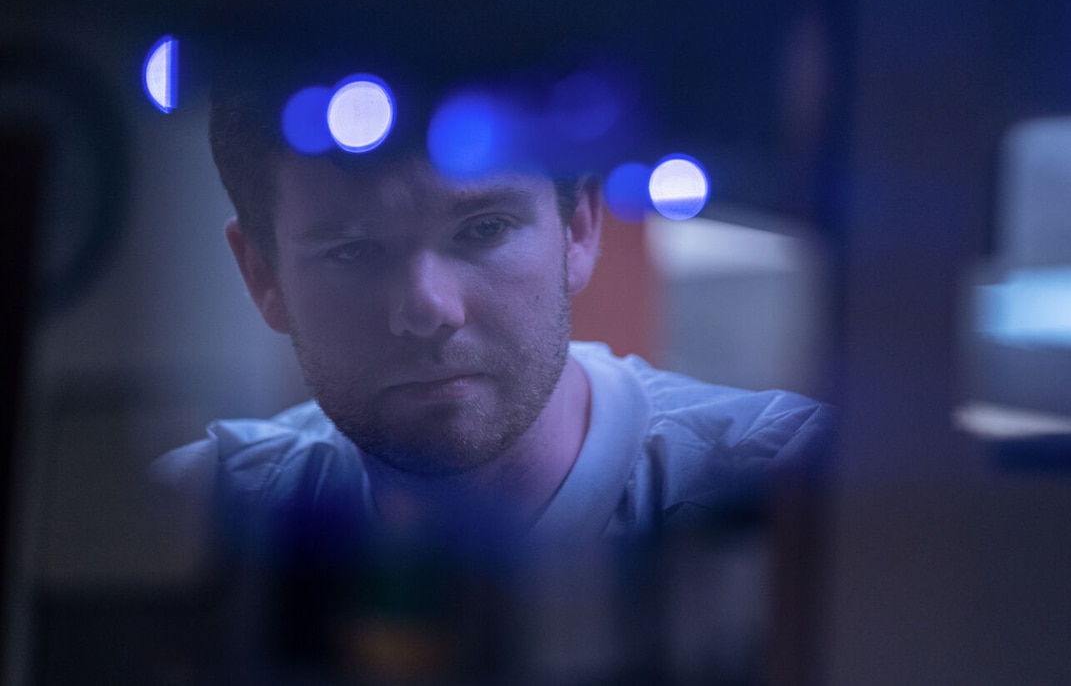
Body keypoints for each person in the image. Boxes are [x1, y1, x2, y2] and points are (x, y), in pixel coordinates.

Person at [153, 76, 834, 551]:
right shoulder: (193, 516)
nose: (427, 309)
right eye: (354, 250)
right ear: (262, 275)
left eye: (484, 229)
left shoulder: (797, 492)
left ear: (581, 227)